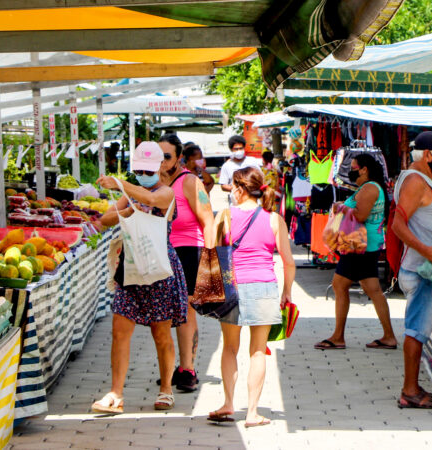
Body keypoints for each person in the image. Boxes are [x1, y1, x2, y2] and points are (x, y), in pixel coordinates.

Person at [91, 141, 188, 414]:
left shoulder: (166, 191)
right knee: (119, 332)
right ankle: (116, 393)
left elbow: (153, 201)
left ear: (160, 166)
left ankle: (166, 389)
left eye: (147, 169)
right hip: (130, 268)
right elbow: (106, 220)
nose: (143, 174)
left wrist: (121, 185)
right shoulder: (131, 193)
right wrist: (127, 210)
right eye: (139, 170)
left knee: (161, 334)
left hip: (159, 269)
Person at [208, 167, 295, 427]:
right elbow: (289, 262)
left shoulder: (225, 215)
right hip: (263, 287)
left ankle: (228, 403)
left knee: (230, 348)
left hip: (231, 288)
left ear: (240, 189)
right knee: (258, 351)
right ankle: (253, 413)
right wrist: (287, 291)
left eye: (234, 186)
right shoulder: (273, 219)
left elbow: (210, 248)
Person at [391, 131, 432, 409]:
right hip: (423, 270)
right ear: (427, 155)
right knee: (416, 331)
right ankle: (410, 391)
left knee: (417, 329)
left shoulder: (419, 177)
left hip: (425, 268)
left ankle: (413, 386)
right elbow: (397, 224)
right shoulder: (416, 181)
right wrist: (428, 251)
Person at [315, 154, 397, 350]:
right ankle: (389, 336)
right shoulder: (370, 187)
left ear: (364, 169)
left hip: (358, 246)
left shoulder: (369, 188)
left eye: (353, 167)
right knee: (373, 290)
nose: (350, 172)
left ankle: (338, 337)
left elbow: (360, 214)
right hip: (365, 245)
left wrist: (341, 207)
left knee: (339, 285)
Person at [157, 134, 214, 392]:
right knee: (164, 313)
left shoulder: (189, 182)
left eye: (167, 156)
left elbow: (208, 219)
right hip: (159, 251)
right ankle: (173, 366)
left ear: (179, 157)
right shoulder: (152, 182)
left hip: (187, 249)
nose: (162, 161)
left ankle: (188, 368)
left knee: (186, 310)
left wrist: (211, 260)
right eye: (158, 155)